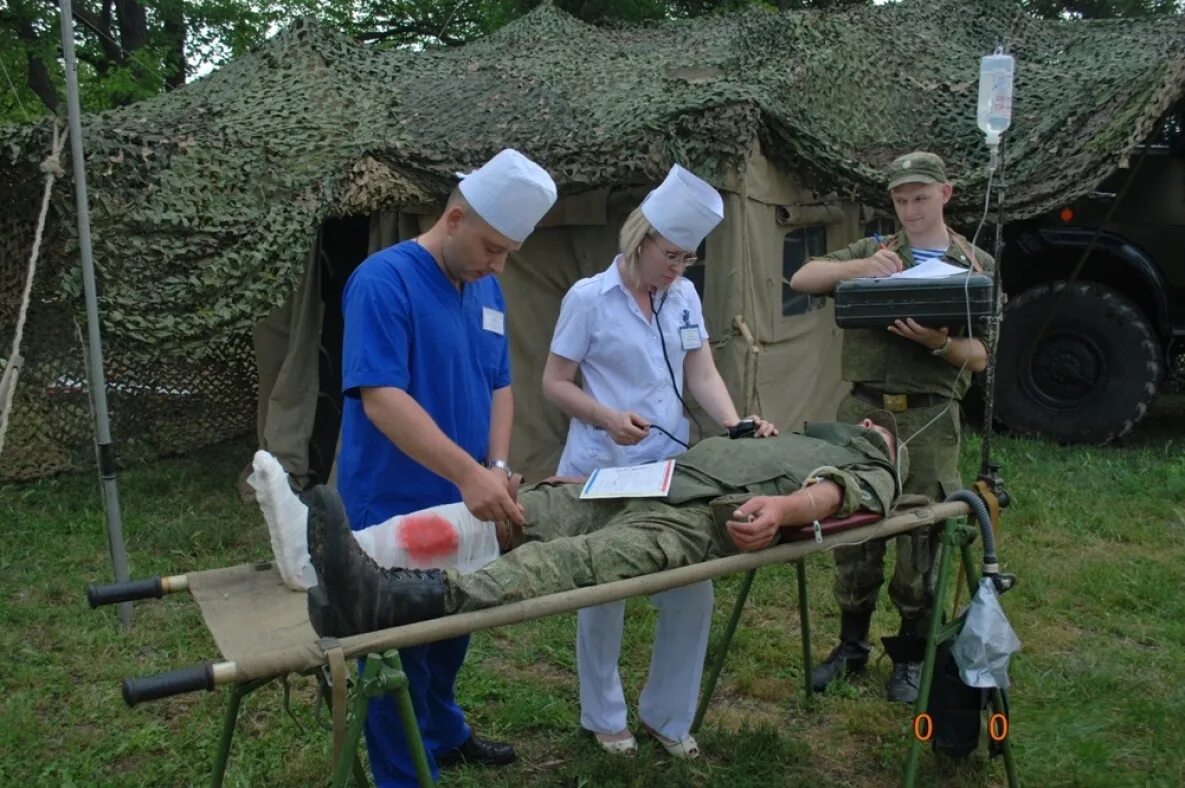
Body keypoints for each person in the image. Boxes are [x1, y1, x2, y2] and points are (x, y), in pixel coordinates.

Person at [335, 148, 556, 786]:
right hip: (395, 502)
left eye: (510, 251)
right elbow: (382, 400)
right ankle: (404, 772)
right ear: (455, 217)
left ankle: (442, 731)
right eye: (492, 247)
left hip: (466, 499)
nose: (499, 264)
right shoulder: (384, 280)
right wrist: (468, 473)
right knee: (396, 646)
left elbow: (500, 386)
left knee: (454, 622)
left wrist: (498, 463)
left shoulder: (486, 288)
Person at [541, 163, 776, 758]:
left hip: (670, 469)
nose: (678, 268)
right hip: (602, 463)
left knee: (691, 589)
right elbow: (554, 383)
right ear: (639, 239)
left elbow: (701, 372)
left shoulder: (684, 295)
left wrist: (733, 424)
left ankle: (667, 717)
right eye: (671, 256)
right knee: (604, 589)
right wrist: (606, 417)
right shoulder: (588, 299)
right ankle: (603, 717)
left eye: (688, 259)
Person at [294, 418, 906, 643]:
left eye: (878, 430)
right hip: (655, 480)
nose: (867, 422)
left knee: (582, 561)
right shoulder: (798, 433)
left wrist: (784, 511)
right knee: (529, 510)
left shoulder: (873, 464)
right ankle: (359, 559)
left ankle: (395, 600)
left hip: (700, 519)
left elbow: (838, 496)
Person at [788, 150, 992, 704]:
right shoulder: (875, 251)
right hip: (866, 411)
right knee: (852, 523)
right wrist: (860, 269)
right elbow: (802, 276)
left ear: (946, 194)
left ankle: (910, 655)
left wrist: (938, 343)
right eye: (901, 200)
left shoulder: (975, 265)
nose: (910, 209)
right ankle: (850, 646)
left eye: (920, 198)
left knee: (920, 531)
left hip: (929, 414)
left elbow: (979, 356)